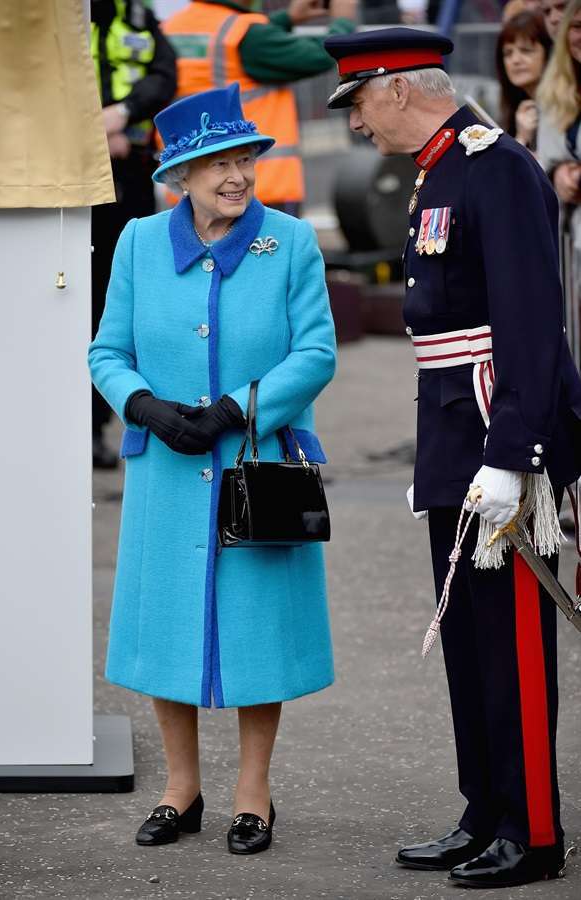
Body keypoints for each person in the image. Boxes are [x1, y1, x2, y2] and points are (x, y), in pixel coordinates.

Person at [325, 26, 581, 889]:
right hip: (451, 433)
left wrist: (513, 453)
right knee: (470, 641)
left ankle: (533, 830)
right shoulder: (441, 168)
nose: (356, 124)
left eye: (357, 102)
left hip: (497, 437)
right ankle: (486, 810)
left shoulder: (496, 166)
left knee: (510, 642)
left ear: (398, 87)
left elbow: (527, 323)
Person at [88, 83, 337, 855]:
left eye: (243, 160)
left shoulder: (289, 242)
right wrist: (143, 408)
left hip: (257, 465)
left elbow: (316, 352)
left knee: (257, 635)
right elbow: (106, 352)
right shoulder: (136, 242)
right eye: (214, 163)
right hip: (166, 471)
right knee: (167, 632)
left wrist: (236, 408)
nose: (234, 175)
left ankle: (253, 795)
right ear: (178, 177)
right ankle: (179, 790)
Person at [160, 0, 357, 216]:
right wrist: (343, 21)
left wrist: (286, 19)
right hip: (256, 189)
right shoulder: (247, 34)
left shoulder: (170, 27)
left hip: (193, 188)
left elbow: (241, 41)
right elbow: (319, 55)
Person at [90, 0, 177, 467]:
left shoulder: (138, 16)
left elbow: (165, 76)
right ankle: (85, 428)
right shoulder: (58, 16)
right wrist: (91, 133)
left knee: (120, 301)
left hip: (131, 170)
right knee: (78, 302)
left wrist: (122, 114)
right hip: (74, 176)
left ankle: (115, 422)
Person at [538, 0, 581, 247]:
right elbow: (547, 159)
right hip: (570, 238)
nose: (555, 19)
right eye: (574, 26)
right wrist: (558, 173)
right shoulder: (556, 85)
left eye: (561, 7)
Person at [496, 10, 551, 151]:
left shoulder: (565, 107)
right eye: (508, 53)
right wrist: (522, 137)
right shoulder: (513, 110)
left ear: (548, 54)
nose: (515, 60)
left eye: (526, 50)